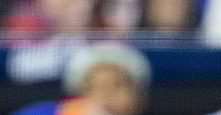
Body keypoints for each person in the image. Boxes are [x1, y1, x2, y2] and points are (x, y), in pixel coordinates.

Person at [12, 44, 151, 115]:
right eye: (96, 87)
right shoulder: (44, 113)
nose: (106, 95)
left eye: (118, 85)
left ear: (138, 97)